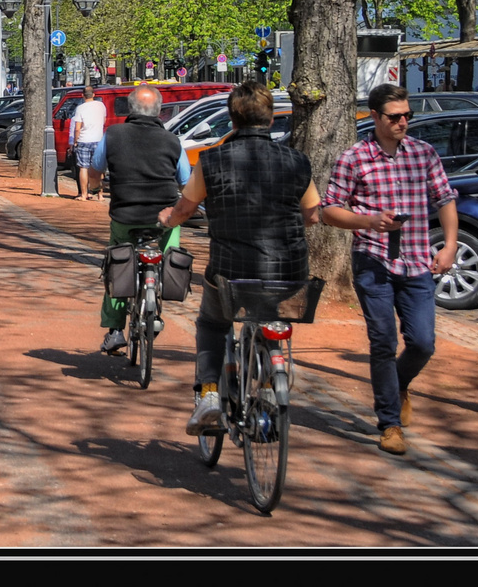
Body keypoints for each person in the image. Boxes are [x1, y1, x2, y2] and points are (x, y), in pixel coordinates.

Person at [157, 83, 320, 437]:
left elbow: (185, 209)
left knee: (213, 324)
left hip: (232, 269)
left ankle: (209, 393)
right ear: (271, 118)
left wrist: (169, 218)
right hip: (289, 270)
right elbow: (312, 214)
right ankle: (266, 376)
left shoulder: (212, 160)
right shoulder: (297, 161)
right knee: (268, 314)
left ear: (232, 118)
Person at [320, 83, 460, 457]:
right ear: (376, 117)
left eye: (407, 116)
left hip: (416, 261)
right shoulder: (355, 157)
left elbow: (445, 198)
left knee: (422, 342)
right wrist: (368, 221)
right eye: (394, 117)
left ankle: (398, 384)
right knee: (382, 341)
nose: (402, 122)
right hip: (373, 261)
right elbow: (329, 211)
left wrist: (449, 245)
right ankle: (390, 422)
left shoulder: (423, 153)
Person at [89, 84, 189, 355]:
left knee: (118, 265)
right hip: (164, 218)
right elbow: (185, 181)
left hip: (125, 215)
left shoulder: (113, 134)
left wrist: (95, 188)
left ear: (130, 110)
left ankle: (114, 331)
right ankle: (158, 293)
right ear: (159, 112)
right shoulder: (172, 141)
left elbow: (95, 170)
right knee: (167, 253)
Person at [72, 92, 107, 201]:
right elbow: (104, 121)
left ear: (82, 95)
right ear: (93, 94)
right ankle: (100, 195)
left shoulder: (80, 108)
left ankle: (84, 194)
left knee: (83, 167)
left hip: (84, 140)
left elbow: (77, 127)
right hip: (98, 139)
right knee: (99, 168)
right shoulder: (101, 106)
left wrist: (75, 141)